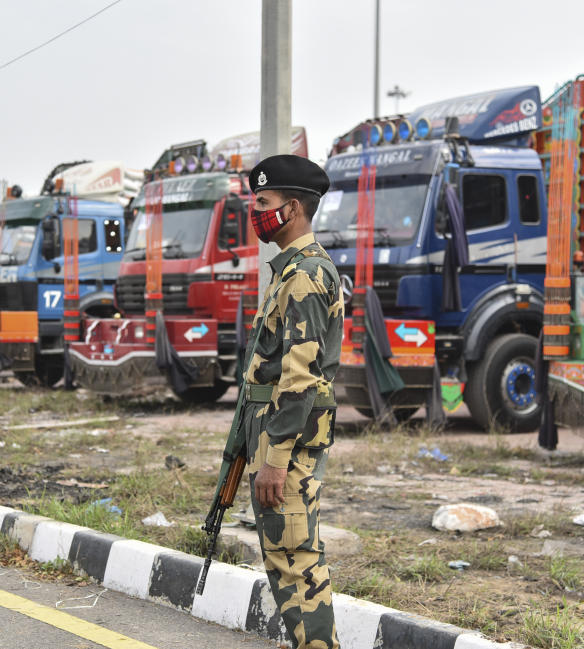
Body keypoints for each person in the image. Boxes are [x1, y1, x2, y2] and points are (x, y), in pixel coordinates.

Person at [241, 154, 343, 649]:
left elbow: (299, 378)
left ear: (293, 208)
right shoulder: (292, 271)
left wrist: (275, 460)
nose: (255, 212)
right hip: (278, 432)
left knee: (295, 558)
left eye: (263, 202)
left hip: (290, 440)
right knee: (285, 554)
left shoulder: (304, 276)